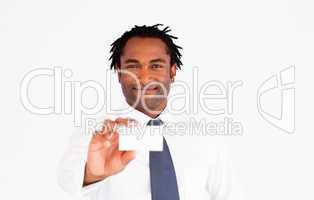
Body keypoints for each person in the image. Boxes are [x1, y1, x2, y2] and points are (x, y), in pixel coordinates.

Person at [57, 24, 244, 200]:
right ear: (119, 73)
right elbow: (67, 180)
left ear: (172, 71)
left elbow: (229, 194)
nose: (144, 77)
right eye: (133, 66)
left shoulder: (204, 135)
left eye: (155, 66)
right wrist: (92, 175)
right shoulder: (98, 133)